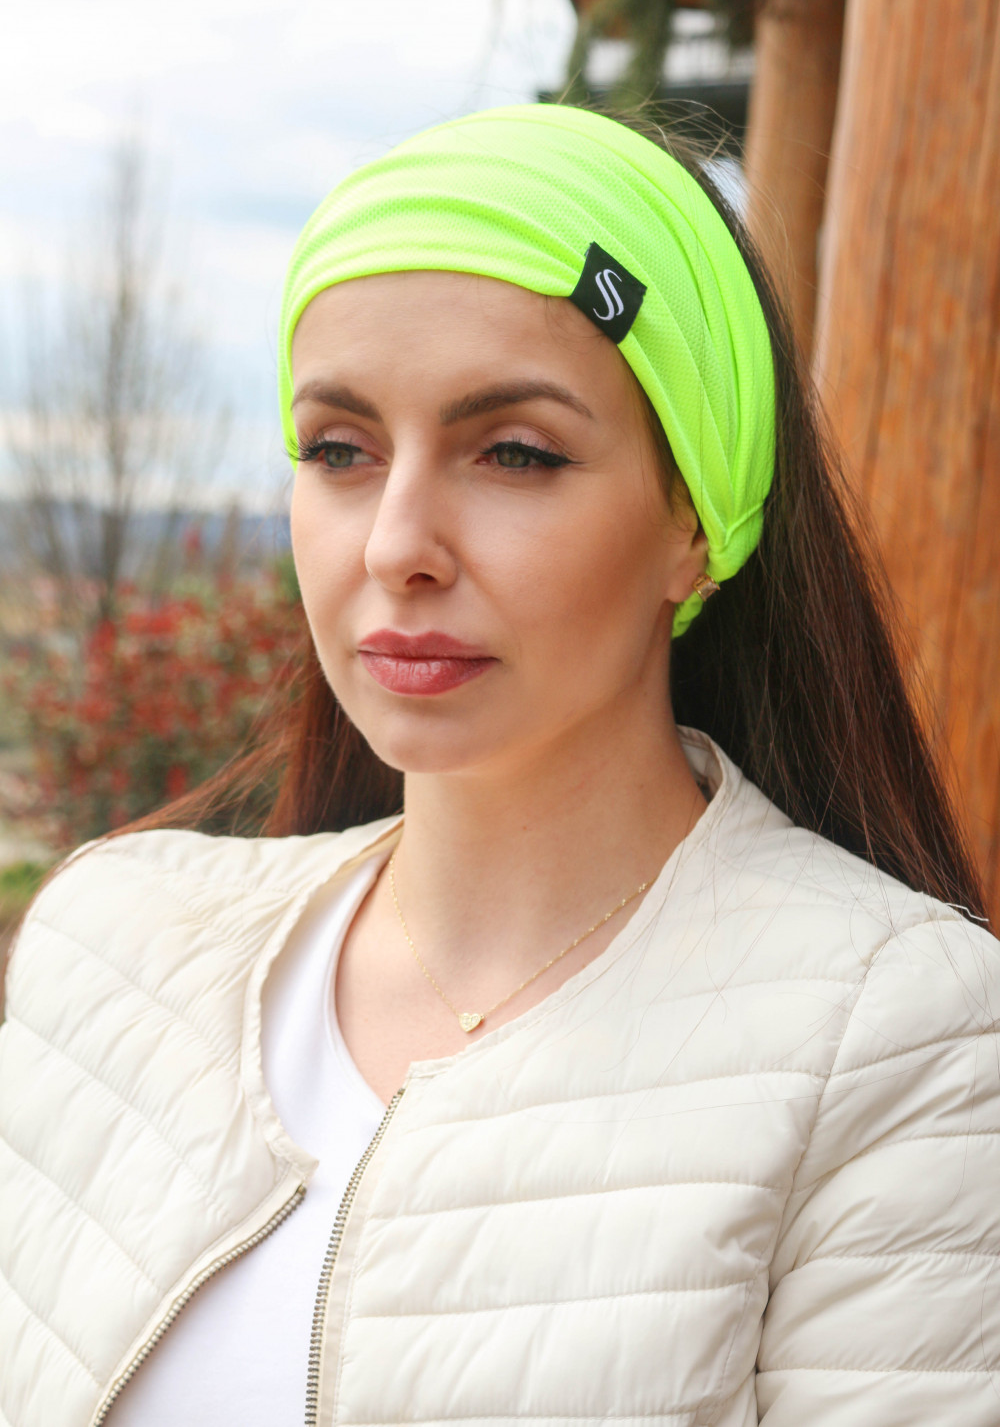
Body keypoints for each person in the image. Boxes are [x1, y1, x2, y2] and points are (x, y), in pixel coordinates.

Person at [1, 103, 998, 1427]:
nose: (394, 545)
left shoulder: (898, 1041)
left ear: (694, 522)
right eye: (340, 450)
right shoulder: (112, 950)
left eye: (515, 453)